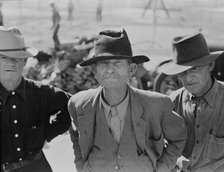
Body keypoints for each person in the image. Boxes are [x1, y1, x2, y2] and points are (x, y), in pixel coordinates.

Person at [68, 29, 187, 172]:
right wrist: (81, 167)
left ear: (131, 69)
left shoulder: (156, 105)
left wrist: (161, 168)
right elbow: (76, 136)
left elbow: (179, 138)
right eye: (104, 63)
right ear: (94, 71)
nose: (110, 69)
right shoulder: (79, 104)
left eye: (117, 63)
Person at [0, 26, 71, 172]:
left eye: (17, 58)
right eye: (3, 57)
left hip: (37, 168)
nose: (11, 63)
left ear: (25, 61)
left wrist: (48, 133)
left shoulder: (41, 92)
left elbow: (74, 105)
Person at [161, 32, 224, 172]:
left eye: (195, 68)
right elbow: (164, 143)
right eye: (182, 71)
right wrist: (176, 159)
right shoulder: (172, 102)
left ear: (210, 65)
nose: (188, 78)